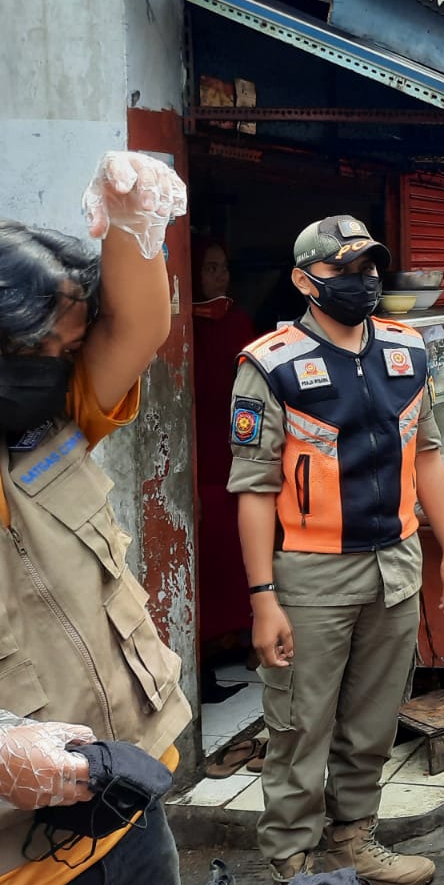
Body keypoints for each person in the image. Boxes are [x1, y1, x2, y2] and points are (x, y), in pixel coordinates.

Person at [0, 152, 192, 885]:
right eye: (34, 353)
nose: (55, 371)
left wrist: (136, 218)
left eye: (66, 351)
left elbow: (138, 324)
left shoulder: (45, 426)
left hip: (127, 835)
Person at [228, 215, 444, 885]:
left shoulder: (407, 349)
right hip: (309, 574)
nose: (361, 283)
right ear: (306, 280)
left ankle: (351, 841)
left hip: (394, 564)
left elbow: (428, 454)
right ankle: (294, 863)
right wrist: (261, 597)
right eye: (343, 271)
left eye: (369, 269)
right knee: (300, 727)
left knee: (369, 723)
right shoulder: (269, 364)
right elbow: (252, 488)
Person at [191, 237, 256, 694]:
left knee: (240, 554)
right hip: (196, 462)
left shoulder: (238, 322)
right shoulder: (178, 327)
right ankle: (205, 649)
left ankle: (245, 637)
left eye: (225, 267)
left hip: (237, 458)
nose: (221, 276)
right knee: (207, 560)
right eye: (211, 267)